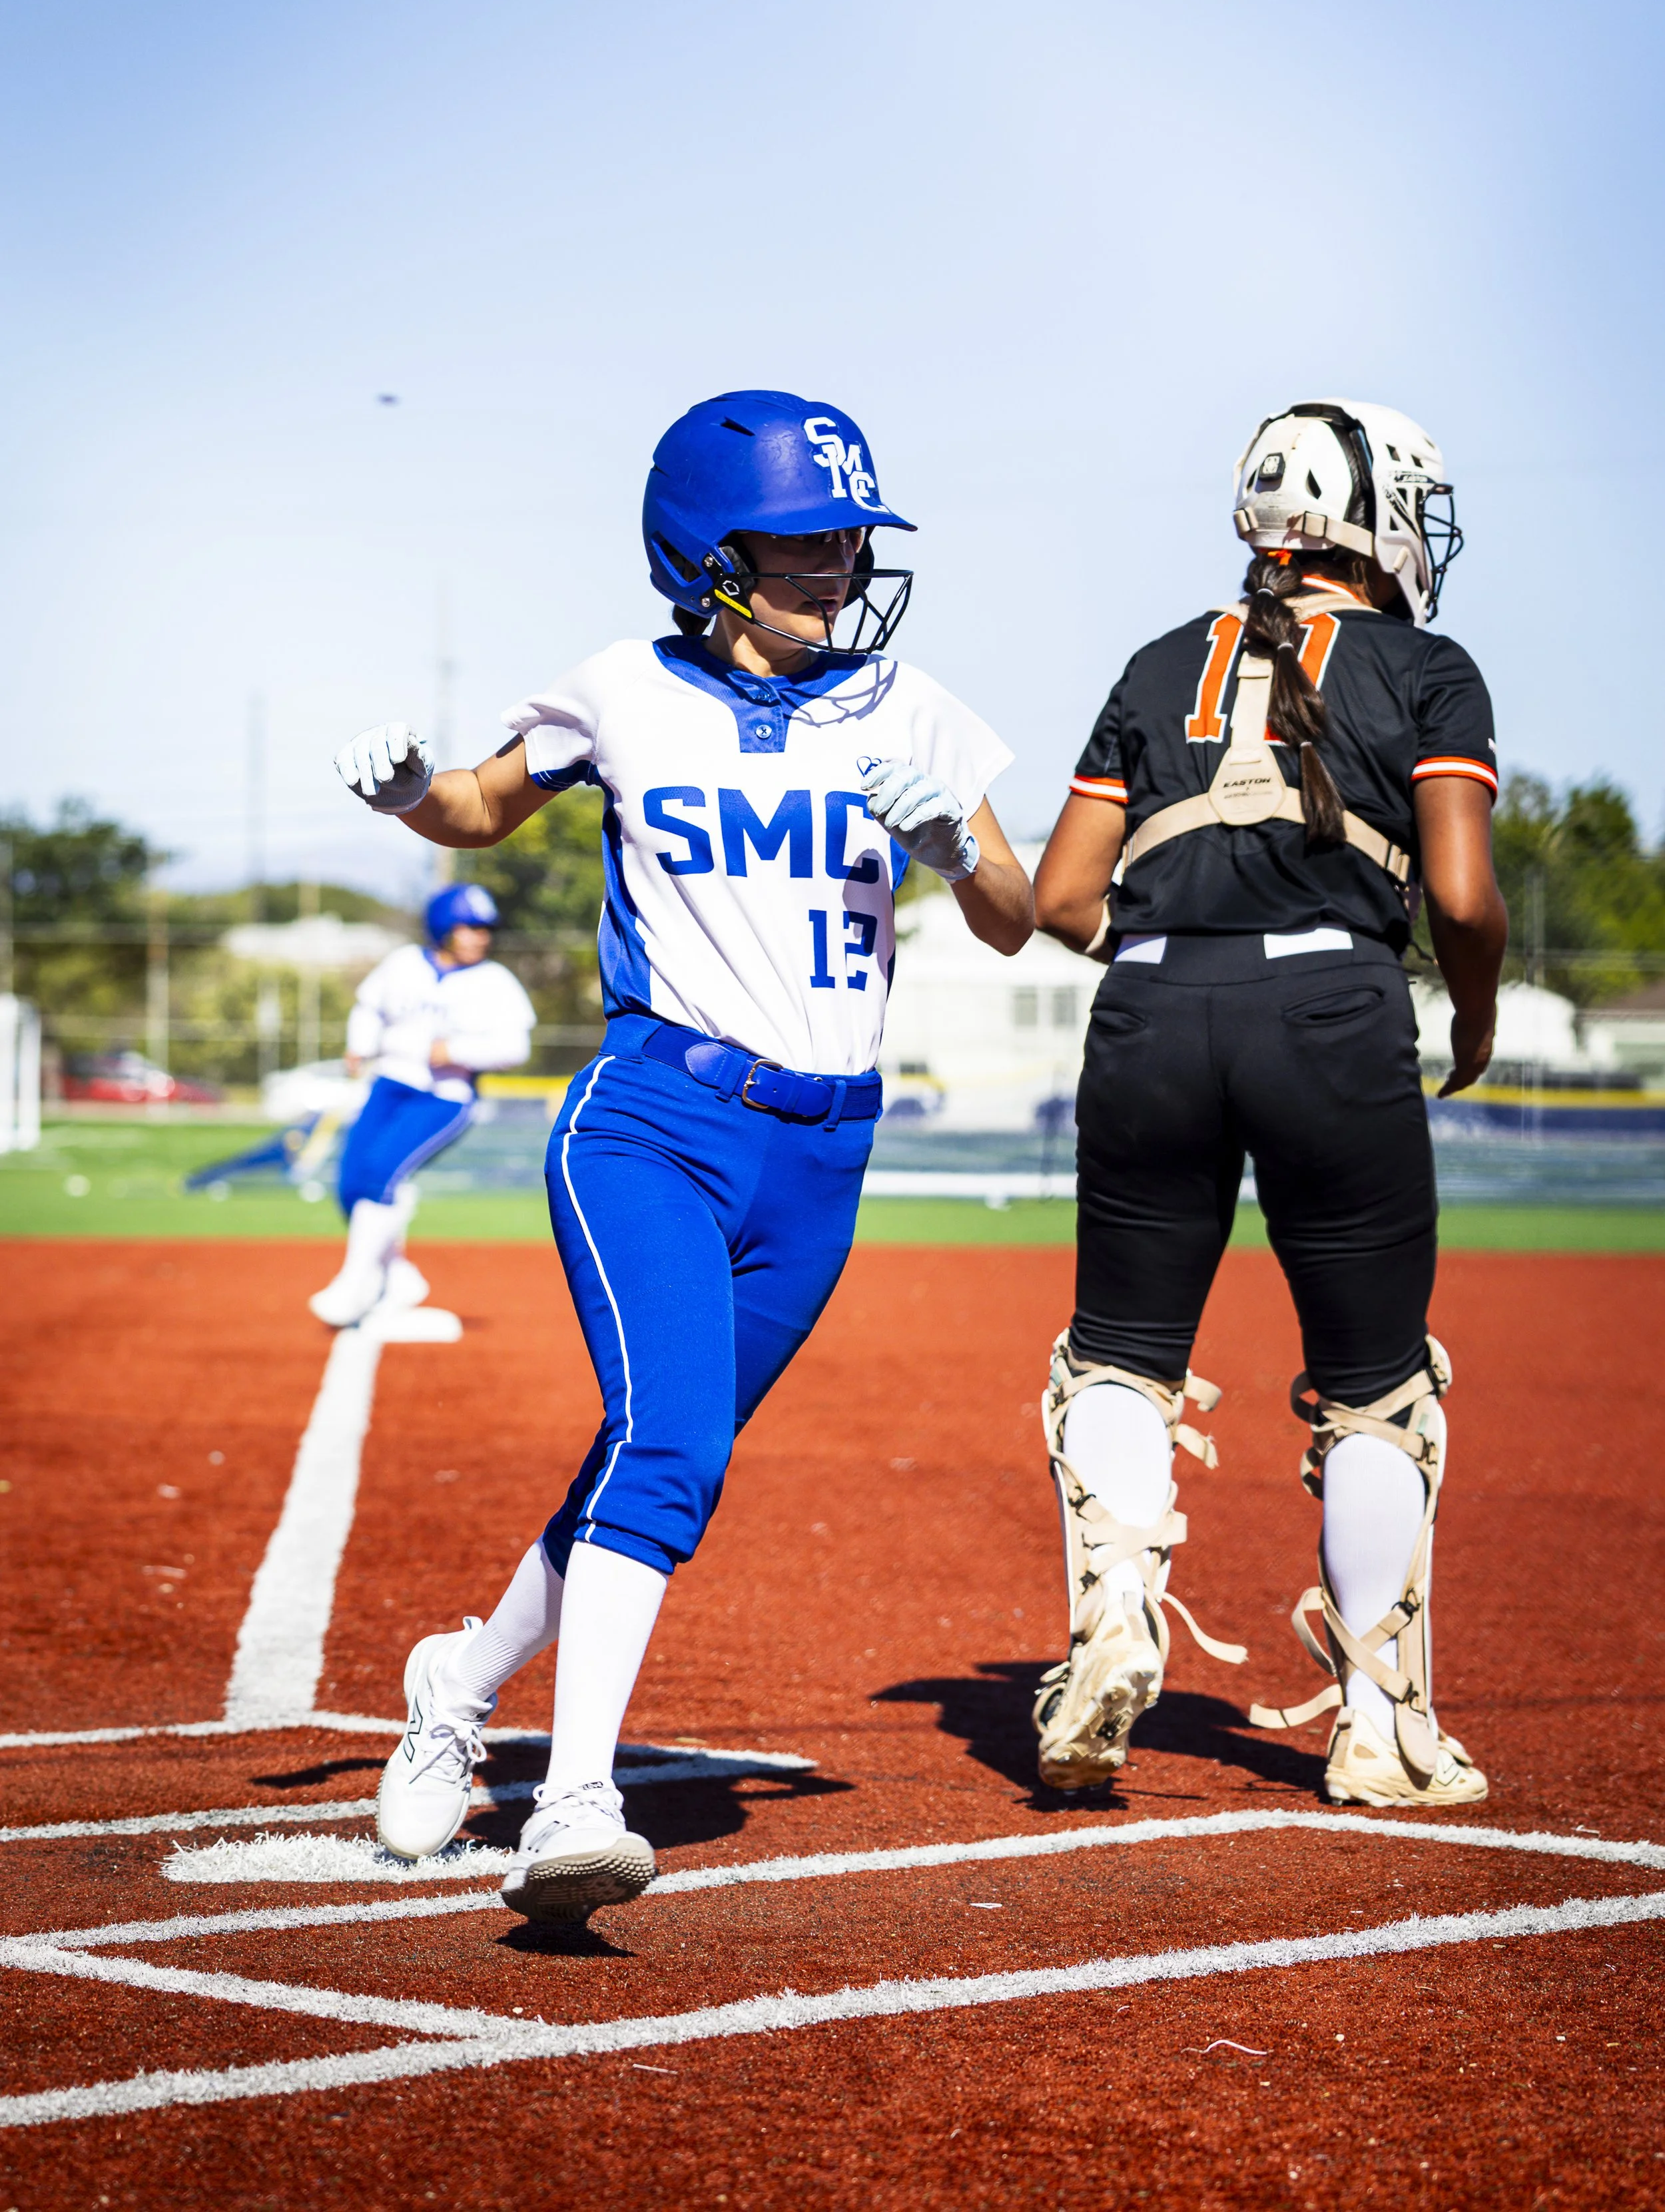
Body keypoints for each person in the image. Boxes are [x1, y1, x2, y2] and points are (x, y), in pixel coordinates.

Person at [332, 390, 1032, 1916]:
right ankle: (571, 1799)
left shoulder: (913, 708)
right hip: (654, 1120)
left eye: (851, 538)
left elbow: (1023, 912)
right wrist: (406, 790)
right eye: (800, 545)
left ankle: (459, 1679)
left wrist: (956, 850)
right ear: (707, 557)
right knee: (672, 1454)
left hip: (821, 1161)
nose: (838, 567)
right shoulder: (618, 690)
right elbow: (474, 807)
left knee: (647, 1452)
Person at [1030, 398, 1506, 1808]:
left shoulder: (1155, 657)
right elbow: (1464, 894)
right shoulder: (1426, 663)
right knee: (1371, 1385)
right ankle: (1380, 1721)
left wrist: (1185, 970)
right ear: (1374, 516)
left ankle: (1111, 1620)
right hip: (1330, 1011)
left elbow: (1064, 899)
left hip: (1151, 1007)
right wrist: (1468, 1010)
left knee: (1118, 1354)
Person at [306, 884, 535, 1328]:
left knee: (381, 1174)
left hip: (445, 1096)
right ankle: (398, 1276)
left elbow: (515, 1046)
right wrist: (360, 1045)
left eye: (485, 929)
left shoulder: (495, 981)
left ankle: (354, 1284)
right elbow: (368, 1008)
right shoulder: (404, 963)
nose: (480, 937)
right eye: (469, 927)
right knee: (352, 1182)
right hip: (389, 1083)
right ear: (443, 927)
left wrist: (460, 1050)